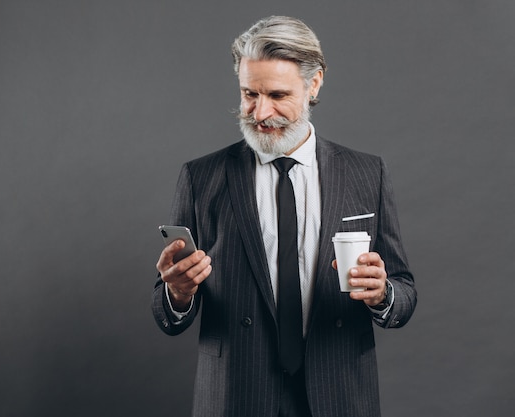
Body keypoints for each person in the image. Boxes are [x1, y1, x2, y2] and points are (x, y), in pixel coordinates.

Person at [152, 15, 417, 417]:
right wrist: (178, 293)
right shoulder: (200, 176)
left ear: (314, 84)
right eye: (248, 94)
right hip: (236, 395)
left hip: (339, 394)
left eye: (277, 95)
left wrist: (383, 295)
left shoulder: (367, 173)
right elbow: (167, 314)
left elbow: (403, 292)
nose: (260, 113)